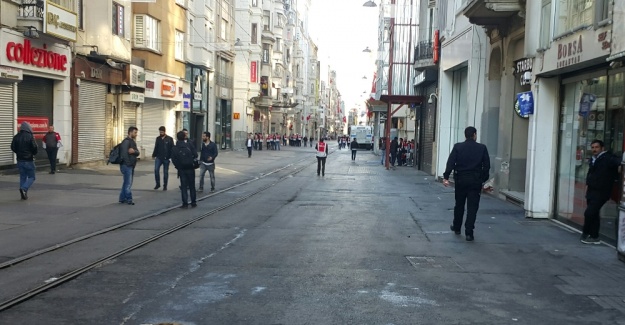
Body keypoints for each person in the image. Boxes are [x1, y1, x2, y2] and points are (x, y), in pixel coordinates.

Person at [443, 126, 490, 242]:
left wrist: (446, 177)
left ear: (465, 135)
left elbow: (451, 162)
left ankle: (457, 227)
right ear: (474, 135)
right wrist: (482, 179)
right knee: (472, 208)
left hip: (461, 180)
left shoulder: (458, 147)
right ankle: (469, 232)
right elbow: (487, 166)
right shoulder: (482, 148)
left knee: (459, 205)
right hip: (475, 181)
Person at [581, 139, 621, 244]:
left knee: (589, 213)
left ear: (602, 148)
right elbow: (590, 173)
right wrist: (587, 185)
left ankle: (585, 233)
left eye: (596, 147)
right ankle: (594, 237)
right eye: (593, 147)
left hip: (601, 191)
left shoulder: (607, 158)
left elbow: (619, 162)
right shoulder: (593, 159)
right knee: (594, 214)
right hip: (591, 190)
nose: (594, 149)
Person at [11, 122, 38, 200]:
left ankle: (23, 194)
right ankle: (24, 188)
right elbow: (34, 147)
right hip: (29, 160)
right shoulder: (30, 136)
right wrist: (33, 153)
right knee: (32, 177)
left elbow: (13, 147)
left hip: (20, 160)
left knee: (22, 177)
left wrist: (18, 153)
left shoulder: (16, 137)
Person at [171, 130, 198, 208]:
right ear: (184, 137)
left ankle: (185, 203)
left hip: (181, 169)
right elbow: (195, 155)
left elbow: (173, 159)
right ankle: (193, 202)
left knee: (183, 186)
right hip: (190, 168)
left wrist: (178, 166)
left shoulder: (175, 148)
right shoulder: (189, 145)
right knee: (192, 186)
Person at [119, 126, 140, 205]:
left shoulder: (132, 142)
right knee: (128, 183)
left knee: (126, 182)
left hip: (130, 165)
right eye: (135, 132)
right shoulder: (126, 142)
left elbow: (138, 152)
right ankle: (129, 199)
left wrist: (134, 151)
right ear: (130, 132)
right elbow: (124, 154)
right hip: (127, 165)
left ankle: (122, 198)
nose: (136, 134)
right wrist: (129, 164)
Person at [152, 126, 174, 191]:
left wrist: (171, 157)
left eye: (162, 132)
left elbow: (172, 148)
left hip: (166, 158)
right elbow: (156, 147)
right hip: (159, 157)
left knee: (165, 172)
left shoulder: (169, 139)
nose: (161, 133)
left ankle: (165, 185)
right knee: (156, 170)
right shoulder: (158, 138)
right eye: (160, 132)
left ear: (164, 131)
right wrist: (154, 154)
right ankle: (158, 184)